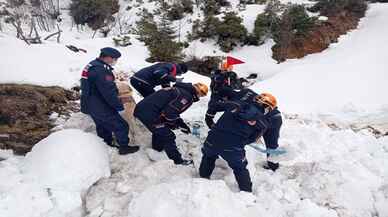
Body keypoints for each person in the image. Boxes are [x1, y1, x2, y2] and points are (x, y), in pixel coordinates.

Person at [199, 93, 282, 192]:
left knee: (208, 156)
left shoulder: (236, 104)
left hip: (211, 140)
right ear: (267, 108)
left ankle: (203, 178)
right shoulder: (262, 123)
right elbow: (253, 138)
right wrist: (241, 142)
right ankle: (246, 192)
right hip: (233, 148)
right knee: (240, 168)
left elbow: (215, 105)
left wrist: (209, 118)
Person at [80, 47, 139, 155]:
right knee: (121, 125)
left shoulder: (91, 65)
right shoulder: (102, 70)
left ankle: (105, 144)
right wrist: (119, 107)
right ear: (107, 57)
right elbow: (109, 93)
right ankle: (124, 147)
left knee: (102, 125)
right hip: (99, 104)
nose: (115, 61)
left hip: (89, 102)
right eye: (114, 59)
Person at [134, 82, 208, 165]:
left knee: (161, 128)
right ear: (198, 92)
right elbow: (170, 112)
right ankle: (177, 161)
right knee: (168, 135)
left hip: (144, 109)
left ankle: (157, 150)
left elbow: (172, 110)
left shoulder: (180, 90)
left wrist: (181, 123)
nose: (199, 98)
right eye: (201, 95)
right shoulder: (186, 96)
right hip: (149, 113)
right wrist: (173, 124)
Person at [205, 62, 239, 128]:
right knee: (212, 106)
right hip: (217, 92)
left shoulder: (232, 74)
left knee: (234, 106)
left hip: (228, 93)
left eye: (225, 69)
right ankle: (209, 121)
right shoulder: (216, 73)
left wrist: (235, 78)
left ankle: (231, 122)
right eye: (223, 68)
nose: (223, 70)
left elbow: (237, 84)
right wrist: (224, 75)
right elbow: (216, 79)